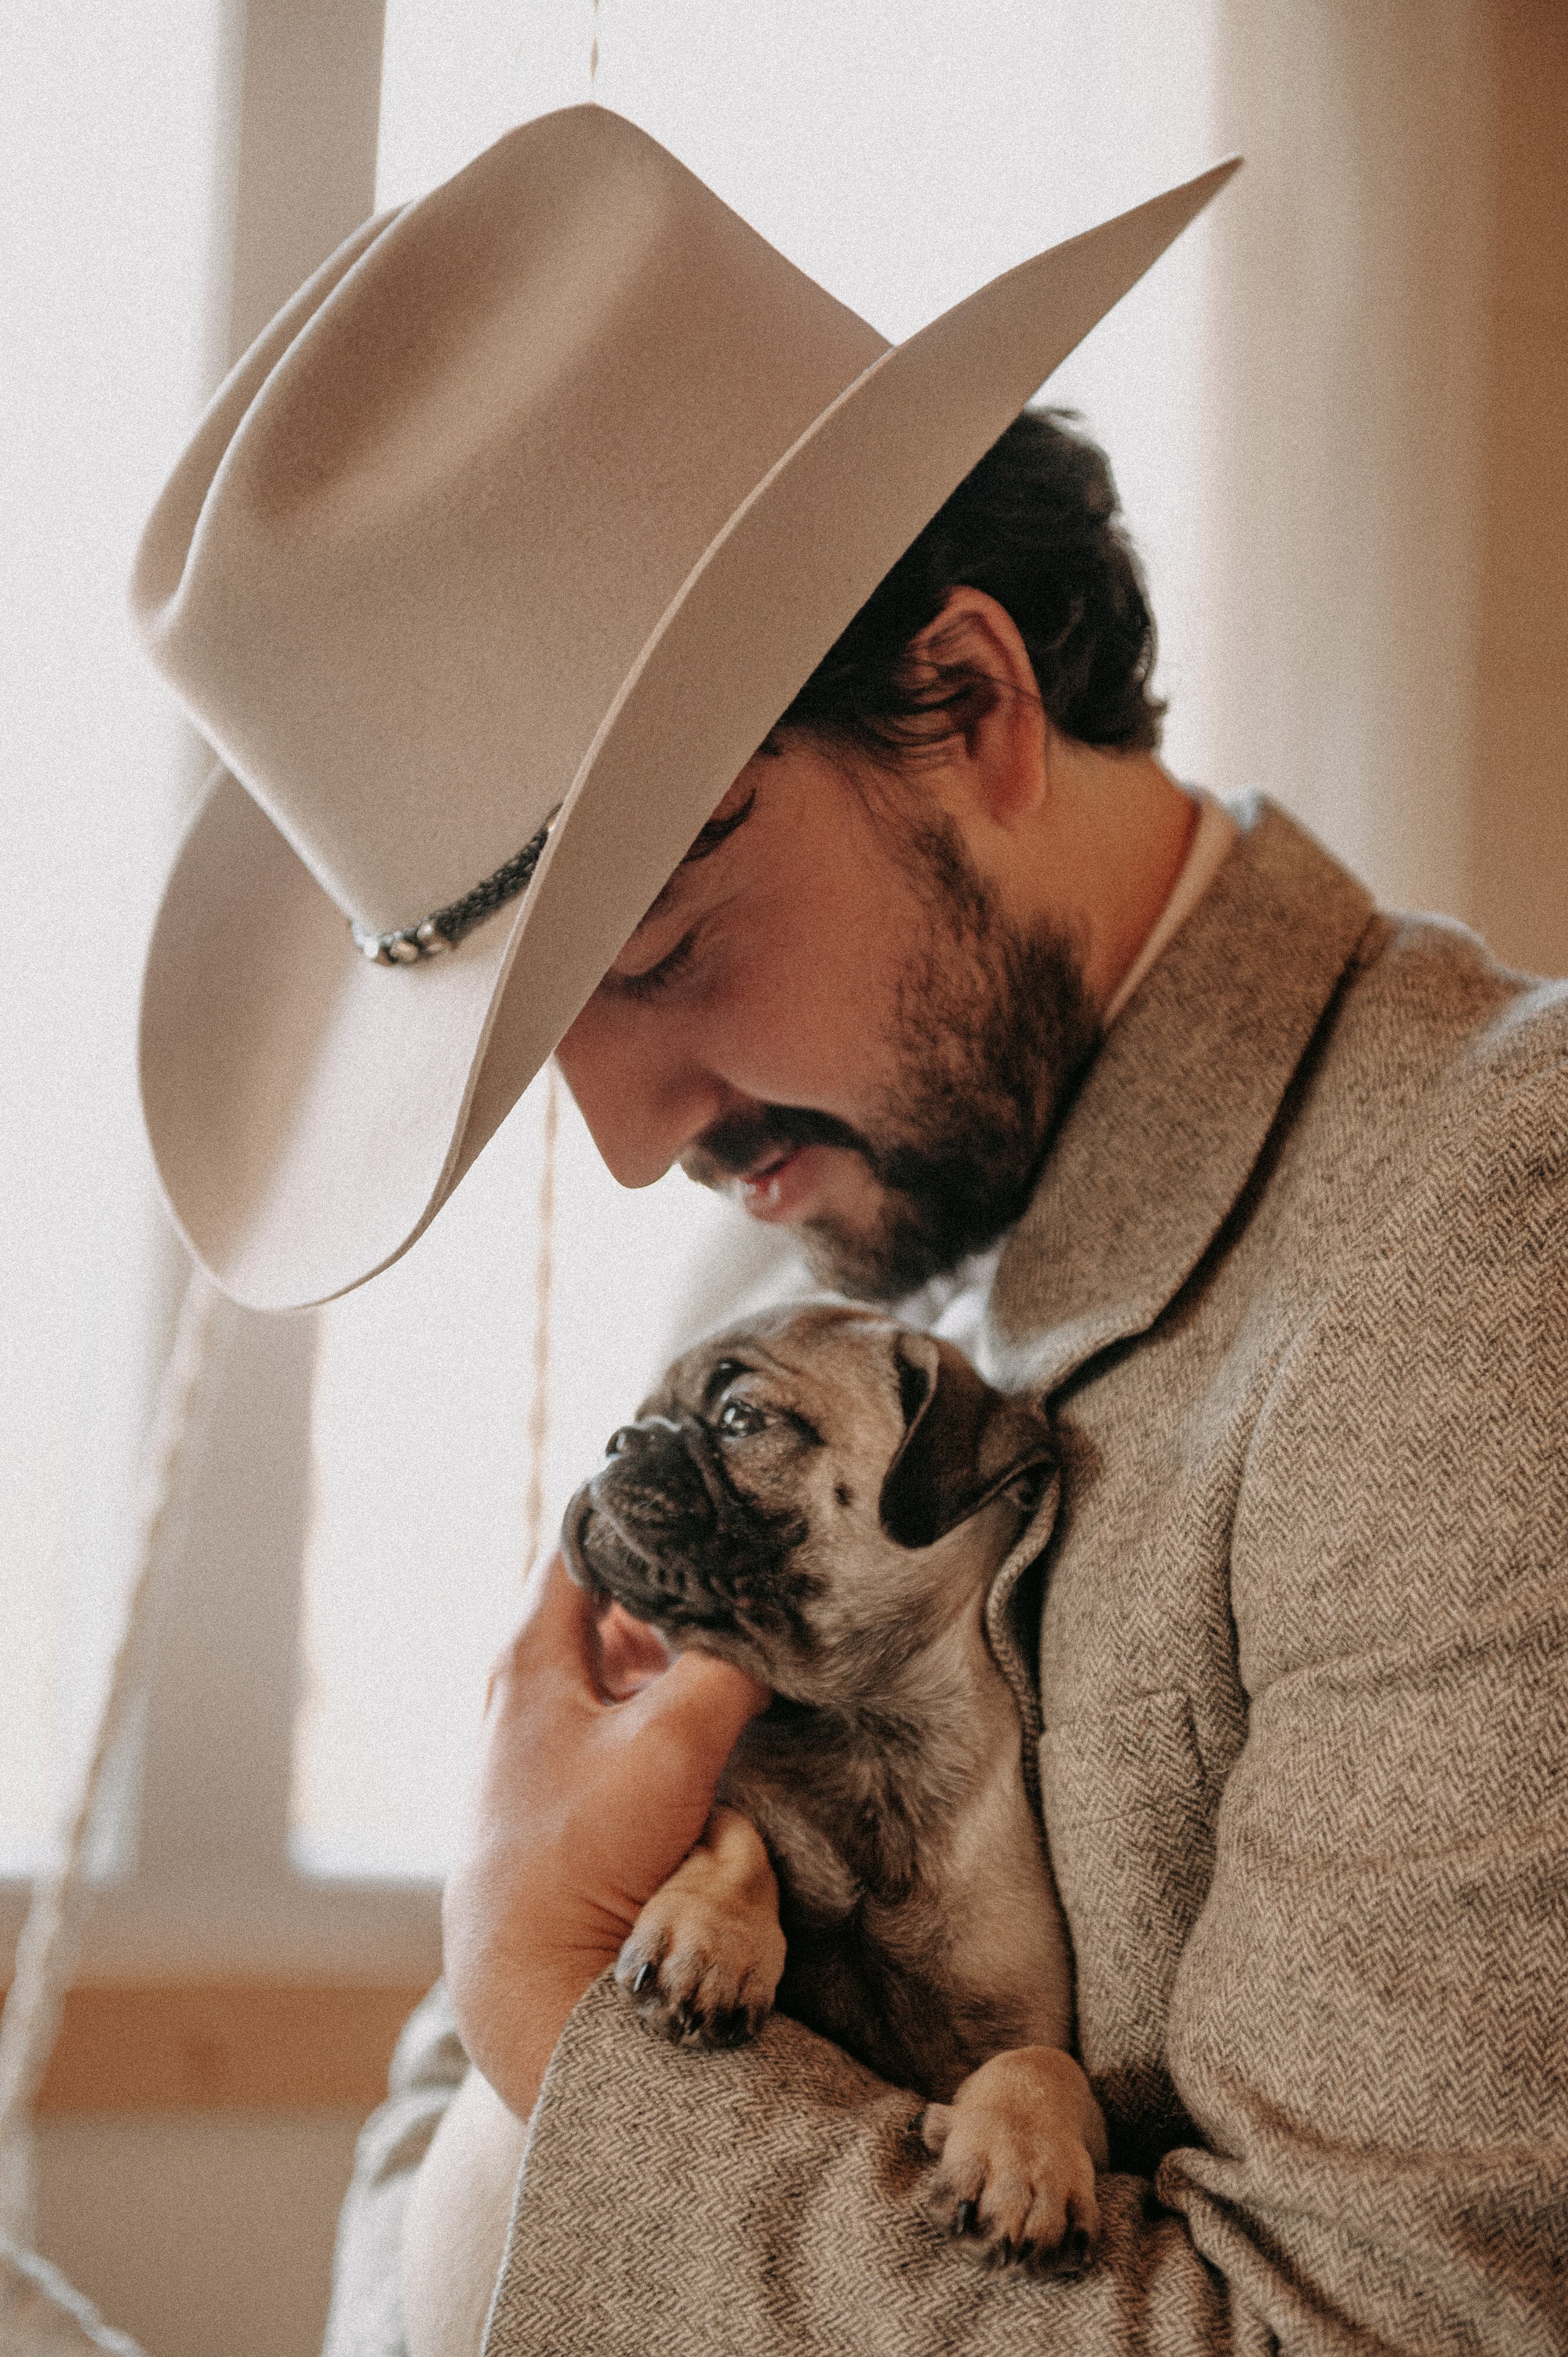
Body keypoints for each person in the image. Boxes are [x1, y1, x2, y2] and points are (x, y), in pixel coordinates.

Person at [125, 105, 1563, 2357]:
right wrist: (524, 2013)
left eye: (667, 951)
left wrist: (544, 2010)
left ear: (970, 704)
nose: (625, 1148)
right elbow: (411, 2228)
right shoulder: (786, 1263)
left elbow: (1373, 2337)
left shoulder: (1490, 1236)